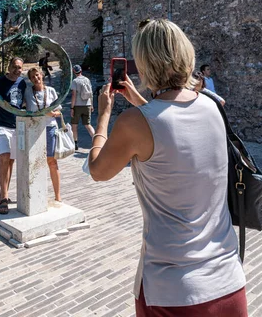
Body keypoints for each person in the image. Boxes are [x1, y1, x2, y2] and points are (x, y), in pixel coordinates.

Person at [89, 19, 247, 316]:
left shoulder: (134, 124)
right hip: (228, 281)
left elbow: (98, 170)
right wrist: (137, 101)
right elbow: (169, 122)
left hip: (174, 291)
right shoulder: (212, 106)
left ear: (144, 63)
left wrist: (103, 116)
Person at [0, 57, 26, 214]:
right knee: (4, 156)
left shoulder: (22, 83)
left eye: (20, 67)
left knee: (10, 162)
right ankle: (4, 197)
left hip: (16, 127)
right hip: (0, 125)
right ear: (9, 67)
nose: (17, 70)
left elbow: (24, 102)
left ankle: (3, 195)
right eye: (14, 66)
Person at [25, 67, 63, 203]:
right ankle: (35, 195)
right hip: (34, 129)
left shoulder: (51, 91)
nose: (36, 78)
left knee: (52, 161)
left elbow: (59, 111)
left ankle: (58, 196)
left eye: (37, 75)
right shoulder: (28, 92)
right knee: (34, 162)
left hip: (49, 128)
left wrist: (52, 114)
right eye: (32, 77)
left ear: (42, 75)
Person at [70, 64, 95, 151]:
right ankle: (96, 140)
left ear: (74, 71)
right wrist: (91, 105)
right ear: (81, 71)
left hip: (77, 106)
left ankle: (75, 143)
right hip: (87, 104)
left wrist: (72, 108)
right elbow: (91, 93)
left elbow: (74, 95)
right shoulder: (87, 80)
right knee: (88, 125)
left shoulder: (75, 81)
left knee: (74, 125)